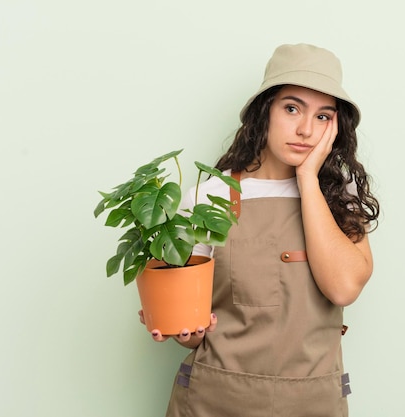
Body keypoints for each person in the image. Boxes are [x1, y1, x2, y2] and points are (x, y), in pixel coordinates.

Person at [138, 43, 380, 417]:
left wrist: (307, 180)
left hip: (312, 405)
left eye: (322, 117)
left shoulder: (339, 202)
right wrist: (187, 331)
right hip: (213, 400)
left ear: (335, 128)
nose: (304, 129)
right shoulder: (210, 195)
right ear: (264, 111)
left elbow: (343, 287)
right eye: (292, 108)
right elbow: (196, 327)